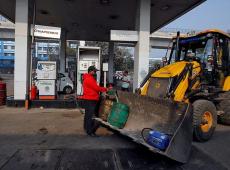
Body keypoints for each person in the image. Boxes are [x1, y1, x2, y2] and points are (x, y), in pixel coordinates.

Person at [82, 66, 108, 137]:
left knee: (87, 115)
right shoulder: (89, 79)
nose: (95, 73)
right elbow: (96, 88)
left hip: (88, 99)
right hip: (91, 99)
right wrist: (106, 89)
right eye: (94, 71)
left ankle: (87, 129)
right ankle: (90, 132)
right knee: (91, 116)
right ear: (90, 71)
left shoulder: (87, 78)